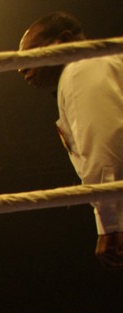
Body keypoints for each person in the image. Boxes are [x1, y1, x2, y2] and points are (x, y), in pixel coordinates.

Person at [18, 12, 123, 269]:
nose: (20, 68)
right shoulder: (100, 63)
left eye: (29, 55)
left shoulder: (79, 68)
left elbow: (104, 145)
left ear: (63, 40)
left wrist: (111, 225)